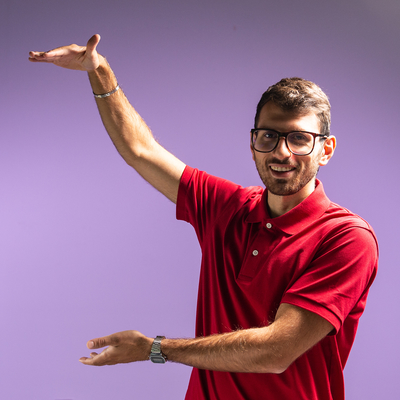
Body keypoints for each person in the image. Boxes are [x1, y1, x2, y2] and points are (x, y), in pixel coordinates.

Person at [29, 34, 378, 400]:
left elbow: (277, 350)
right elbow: (140, 150)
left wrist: (155, 348)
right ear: (252, 142)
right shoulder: (228, 206)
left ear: (326, 149)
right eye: (269, 136)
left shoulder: (346, 238)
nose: (282, 152)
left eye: (299, 139)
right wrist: (98, 70)